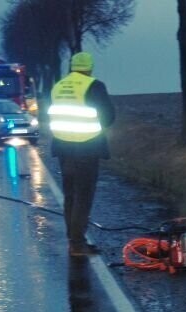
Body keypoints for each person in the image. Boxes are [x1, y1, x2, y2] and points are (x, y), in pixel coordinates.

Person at [48, 51, 115, 257]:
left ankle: (74, 239)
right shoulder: (94, 85)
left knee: (70, 195)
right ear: (89, 68)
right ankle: (77, 244)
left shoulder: (59, 86)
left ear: (72, 67)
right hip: (86, 148)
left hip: (63, 147)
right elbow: (108, 117)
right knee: (83, 196)